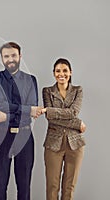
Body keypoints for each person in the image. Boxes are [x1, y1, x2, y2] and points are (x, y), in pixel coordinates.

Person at [0, 42, 42, 200]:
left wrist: (8, 116)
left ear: (20, 56)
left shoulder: (30, 80)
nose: (10, 59)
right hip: (2, 137)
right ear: (2, 59)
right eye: (6, 56)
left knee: (24, 186)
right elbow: (0, 105)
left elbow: (33, 110)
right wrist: (26, 110)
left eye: (13, 55)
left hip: (24, 137)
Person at [41, 58, 86, 200]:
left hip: (75, 144)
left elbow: (73, 112)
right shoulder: (47, 91)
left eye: (65, 70)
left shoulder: (78, 90)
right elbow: (50, 118)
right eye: (58, 71)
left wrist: (50, 110)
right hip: (53, 144)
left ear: (70, 72)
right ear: (54, 73)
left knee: (69, 187)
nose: (61, 74)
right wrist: (77, 124)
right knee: (52, 186)